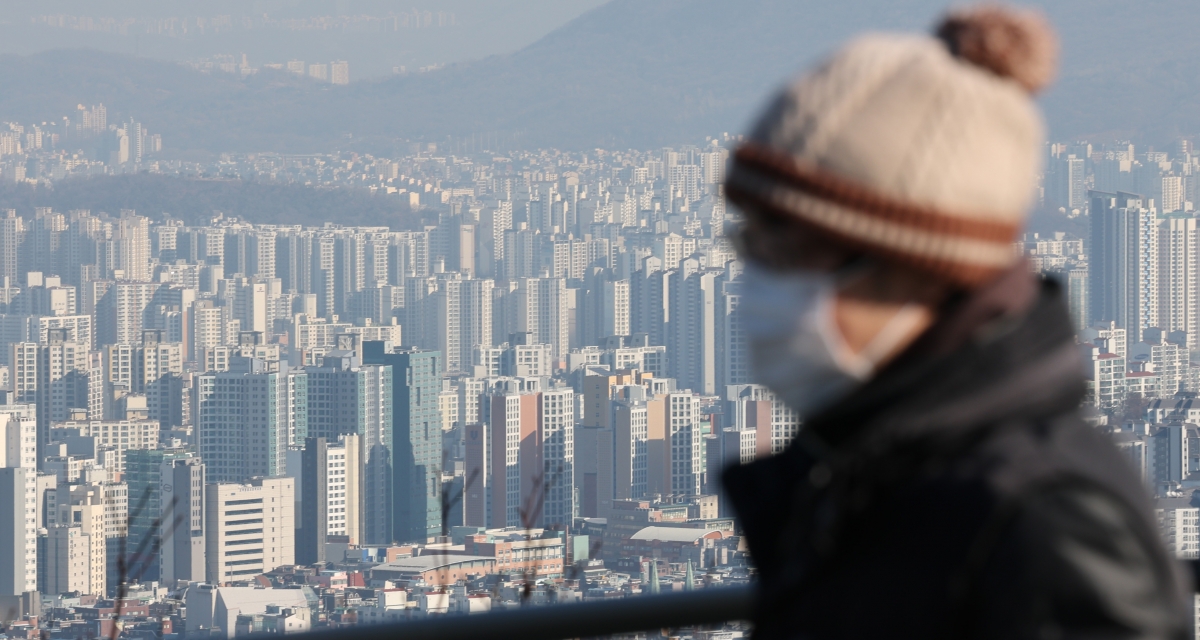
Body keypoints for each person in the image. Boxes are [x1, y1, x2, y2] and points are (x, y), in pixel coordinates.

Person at [721, 5, 1192, 639]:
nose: (760, 280)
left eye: (791, 249)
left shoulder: (1043, 518)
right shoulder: (874, 473)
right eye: (752, 241)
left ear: (918, 267)